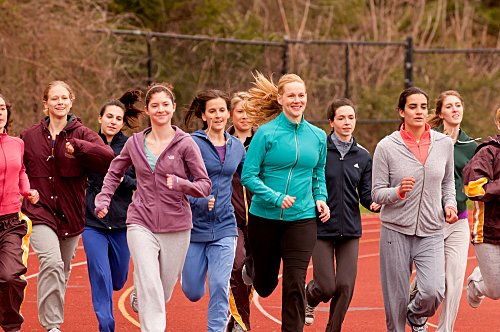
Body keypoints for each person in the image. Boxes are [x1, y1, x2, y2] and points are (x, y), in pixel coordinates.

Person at [95, 83, 211, 332]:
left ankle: (142, 292)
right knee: (151, 285)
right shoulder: (135, 143)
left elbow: (204, 186)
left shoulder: (186, 143)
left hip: (177, 226)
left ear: (173, 108)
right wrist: (103, 199)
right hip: (140, 221)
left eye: (165, 105)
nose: (161, 110)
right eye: (155, 105)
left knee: (163, 291)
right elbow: (114, 173)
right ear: (147, 110)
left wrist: (181, 184)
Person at [21, 81, 116, 332]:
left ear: (71, 101)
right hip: (39, 210)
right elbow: (17, 169)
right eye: (54, 98)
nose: (59, 102)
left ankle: (51, 319)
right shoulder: (29, 136)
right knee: (50, 263)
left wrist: (81, 149)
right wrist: (24, 192)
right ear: (46, 104)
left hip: (71, 212)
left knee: (61, 270)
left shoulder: (83, 134)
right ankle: (52, 325)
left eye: (64, 98)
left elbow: (109, 159)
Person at [240, 72, 330, 332]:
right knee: (265, 285)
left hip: (302, 219)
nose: (297, 100)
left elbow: (318, 173)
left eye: (301, 95)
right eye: (291, 95)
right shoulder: (266, 134)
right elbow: (249, 175)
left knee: (294, 283)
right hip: (265, 217)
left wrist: (321, 199)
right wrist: (275, 197)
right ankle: (252, 264)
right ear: (280, 99)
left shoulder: (318, 136)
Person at [371, 87, 457, 332]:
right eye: (412, 107)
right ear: (401, 111)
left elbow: (448, 182)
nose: (419, 111)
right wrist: (397, 191)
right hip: (395, 231)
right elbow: (376, 193)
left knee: (433, 291)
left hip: (431, 230)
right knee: (395, 301)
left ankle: (416, 317)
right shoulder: (386, 147)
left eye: (423, 106)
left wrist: (449, 205)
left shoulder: (444, 144)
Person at [304, 98, 380, 332]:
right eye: (341, 118)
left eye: (351, 117)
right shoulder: (318, 151)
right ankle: (309, 295)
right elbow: (308, 186)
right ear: (331, 121)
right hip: (321, 229)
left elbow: (365, 195)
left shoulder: (364, 156)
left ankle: (332, 330)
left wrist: (376, 203)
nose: (347, 122)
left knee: (346, 286)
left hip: (350, 229)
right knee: (327, 287)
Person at [407, 91, 476, 332]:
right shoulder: (428, 140)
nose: (455, 109)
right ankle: (415, 305)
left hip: (459, 220)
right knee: (432, 279)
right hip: (431, 220)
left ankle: (445, 330)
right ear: (440, 113)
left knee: (455, 280)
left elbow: (478, 183)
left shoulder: (472, 147)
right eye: (449, 106)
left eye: (459, 105)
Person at [181, 89, 246, 332]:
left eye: (222, 110)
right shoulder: (191, 143)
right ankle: (185, 276)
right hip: (194, 227)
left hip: (225, 226)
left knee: (220, 284)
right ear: (203, 115)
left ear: (228, 113)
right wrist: (198, 199)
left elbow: (250, 175)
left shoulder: (237, 146)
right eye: (212, 111)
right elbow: (178, 182)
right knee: (193, 292)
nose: (218, 115)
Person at [83, 90, 143, 332]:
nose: (113, 122)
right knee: (100, 274)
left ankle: (115, 290)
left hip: (121, 222)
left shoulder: (132, 145)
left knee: (118, 280)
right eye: (109, 116)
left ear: (122, 122)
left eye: (118, 118)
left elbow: (140, 180)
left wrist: (120, 180)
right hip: (92, 222)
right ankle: (106, 324)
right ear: (99, 118)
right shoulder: (87, 144)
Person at [0, 94, 39, 332]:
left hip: (11, 221)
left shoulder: (17, 143)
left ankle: (12, 326)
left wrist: (27, 190)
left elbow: (21, 170)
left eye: (2, 108)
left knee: (10, 276)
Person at [463, 107, 500, 309]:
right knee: (495, 291)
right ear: (498, 124)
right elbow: (473, 189)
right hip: (488, 231)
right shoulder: (487, 152)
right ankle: (477, 282)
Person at [227, 92, 254, 332]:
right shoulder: (222, 143)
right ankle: (241, 323)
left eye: (249, 111)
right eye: (240, 111)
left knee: (253, 272)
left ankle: (235, 315)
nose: (245, 116)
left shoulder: (265, 142)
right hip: (230, 218)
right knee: (235, 266)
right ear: (231, 114)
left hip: (260, 218)